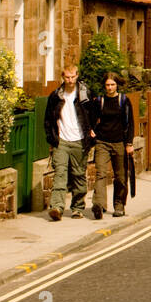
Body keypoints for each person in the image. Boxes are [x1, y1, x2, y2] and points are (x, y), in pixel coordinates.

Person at [44, 65, 94, 219]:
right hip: (62, 141)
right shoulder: (56, 96)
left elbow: (94, 113)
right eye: (67, 77)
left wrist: (92, 131)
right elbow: (48, 120)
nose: (70, 80)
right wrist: (52, 139)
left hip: (80, 140)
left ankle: (77, 207)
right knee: (60, 174)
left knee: (78, 175)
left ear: (77, 76)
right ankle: (57, 208)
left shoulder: (85, 94)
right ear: (63, 77)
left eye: (73, 76)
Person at [88, 72, 135, 219]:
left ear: (117, 85)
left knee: (120, 176)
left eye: (112, 85)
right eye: (107, 85)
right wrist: (91, 130)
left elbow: (130, 123)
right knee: (101, 174)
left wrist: (129, 143)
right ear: (104, 86)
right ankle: (99, 205)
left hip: (119, 142)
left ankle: (119, 205)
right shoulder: (99, 101)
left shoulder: (124, 101)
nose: (109, 87)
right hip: (102, 142)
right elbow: (92, 119)